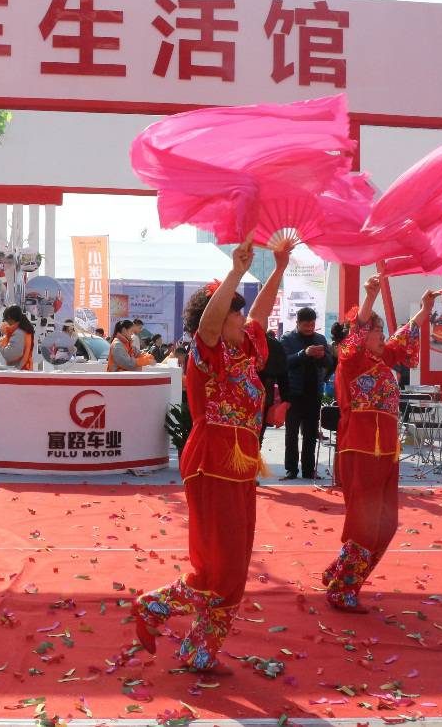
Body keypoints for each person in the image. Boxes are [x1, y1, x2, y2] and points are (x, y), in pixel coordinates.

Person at [132, 239, 290, 676]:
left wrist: (278, 268)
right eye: (235, 313)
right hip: (211, 461)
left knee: (235, 565)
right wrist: (236, 273)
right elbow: (209, 324)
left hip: (240, 465)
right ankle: (156, 605)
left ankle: (201, 649)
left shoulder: (247, 351)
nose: (243, 318)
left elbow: (261, 314)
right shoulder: (208, 355)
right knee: (219, 565)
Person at [323, 276, 436, 613]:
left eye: (381, 329)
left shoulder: (381, 359)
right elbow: (355, 335)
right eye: (376, 330)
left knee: (386, 523)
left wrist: (424, 311)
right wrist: (369, 298)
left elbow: (403, 339)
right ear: (360, 335)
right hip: (361, 448)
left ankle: (340, 572)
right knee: (366, 521)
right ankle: (343, 588)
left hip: (386, 451)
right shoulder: (351, 361)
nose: (383, 335)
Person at [281, 307, 334, 479]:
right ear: (297, 323)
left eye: (312, 325)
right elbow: (285, 363)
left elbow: (330, 362)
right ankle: (291, 469)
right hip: (294, 393)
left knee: (311, 433)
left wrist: (322, 357)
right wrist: (304, 353)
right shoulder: (287, 339)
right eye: (306, 325)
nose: (309, 328)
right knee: (291, 433)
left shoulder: (320, 338)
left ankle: (309, 469)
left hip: (314, 392)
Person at [258, 329, 288, 444]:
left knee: (257, 435)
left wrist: (285, 398)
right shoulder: (239, 340)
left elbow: (283, 373)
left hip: (264, 397)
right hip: (259, 396)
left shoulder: (274, 345)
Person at [0, 305, 35, 370]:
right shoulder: (24, 330)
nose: (6, 323)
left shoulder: (18, 333)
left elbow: (9, 355)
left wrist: (3, 340)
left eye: (6, 320)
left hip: (19, 371)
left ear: (9, 317)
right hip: (25, 369)